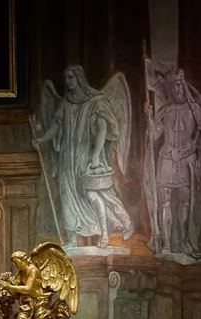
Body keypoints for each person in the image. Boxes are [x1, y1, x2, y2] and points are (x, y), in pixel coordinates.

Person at [34, 65, 134, 248]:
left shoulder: (97, 102)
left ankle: (111, 230)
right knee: (67, 195)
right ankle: (73, 238)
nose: (68, 82)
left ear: (79, 78)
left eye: (71, 77)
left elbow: (103, 130)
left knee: (94, 195)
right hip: (67, 157)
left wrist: (95, 156)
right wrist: (42, 139)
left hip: (87, 155)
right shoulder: (65, 103)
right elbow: (56, 125)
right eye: (66, 78)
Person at [145, 68, 201, 258]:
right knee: (165, 201)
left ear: (185, 86)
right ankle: (166, 245)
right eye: (174, 86)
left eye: (180, 85)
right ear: (170, 89)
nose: (178, 89)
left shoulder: (195, 110)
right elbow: (154, 136)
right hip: (166, 158)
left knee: (184, 200)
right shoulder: (165, 111)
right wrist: (149, 119)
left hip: (187, 159)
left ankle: (183, 242)